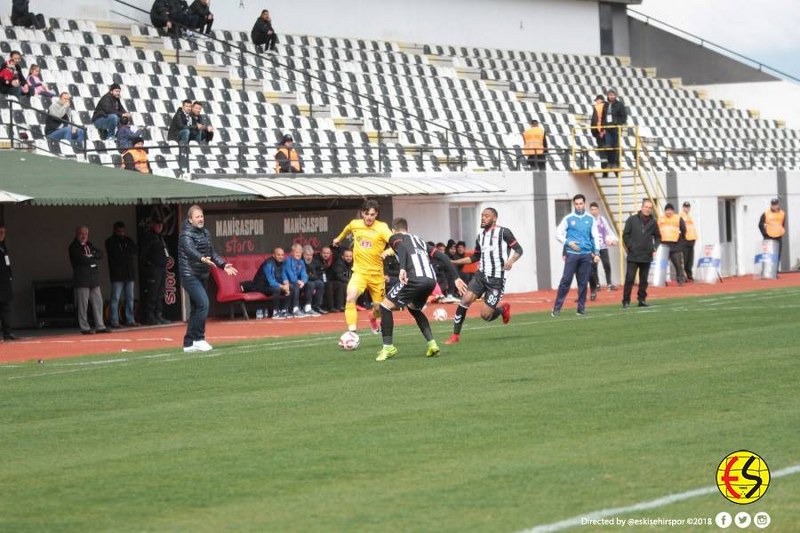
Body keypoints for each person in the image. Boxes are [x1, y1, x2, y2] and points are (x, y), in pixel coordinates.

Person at [376, 218, 468, 361]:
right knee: (414, 308)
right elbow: (443, 257)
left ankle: (388, 347)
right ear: (408, 229)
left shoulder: (394, 237)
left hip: (413, 278)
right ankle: (432, 344)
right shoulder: (420, 240)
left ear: (393, 230)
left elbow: (401, 249)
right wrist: (456, 277)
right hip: (430, 281)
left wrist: (402, 269)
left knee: (384, 307)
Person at [445, 207, 522, 344]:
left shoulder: (504, 232)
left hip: (496, 279)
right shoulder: (480, 236)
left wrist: (511, 261)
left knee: (486, 316)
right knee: (465, 300)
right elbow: (475, 257)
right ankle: (455, 336)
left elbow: (519, 249)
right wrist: (453, 262)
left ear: (494, 218)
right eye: (482, 215)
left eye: (486, 216)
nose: (483, 218)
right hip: (481, 276)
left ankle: (502, 308)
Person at [178, 205, 237, 352]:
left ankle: (188, 343)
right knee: (204, 304)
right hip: (189, 275)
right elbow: (190, 250)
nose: (200, 219)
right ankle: (199, 338)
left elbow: (212, 253)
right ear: (190, 219)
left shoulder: (205, 233)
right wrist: (202, 258)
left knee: (196, 309)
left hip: (202, 274)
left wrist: (224, 265)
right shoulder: (185, 235)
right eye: (197, 216)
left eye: (202, 216)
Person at [333, 199, 394, 335]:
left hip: (377, 276)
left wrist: (387, 252)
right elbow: (347, 229)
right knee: (350, 298)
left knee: (379, 309)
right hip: (359, 273)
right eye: (367, 214)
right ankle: (352, 333)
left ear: (376, 214)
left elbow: (395, 244)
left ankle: (372, 317)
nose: (369, 218)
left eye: (372, 215)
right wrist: (338, 239)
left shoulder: (382, 227)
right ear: (362, 214)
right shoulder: (355, 224)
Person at [551, 194, 601, 317]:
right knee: (565, 281)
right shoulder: (568, 218)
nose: (579, 206)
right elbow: (558, 233)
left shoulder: (590, 219)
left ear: (584, 204)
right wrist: (568, 243)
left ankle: (581, 308)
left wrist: (597, 253)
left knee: (583, 282)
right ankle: (557, 308)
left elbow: (595, 236)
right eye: (576, 204)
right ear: (574, 204)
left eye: (581, 203)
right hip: (572, 255)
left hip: (586, 255)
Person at [68, 225, 111, 335]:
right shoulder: (73, 247)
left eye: (86, 234)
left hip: (93, 279)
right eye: (81, 234)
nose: (84, 236)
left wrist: (91, 256)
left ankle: (100, 325)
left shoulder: (89, 245)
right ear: (77, 234)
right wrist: (92, 259)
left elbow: (100, 254)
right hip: (82, 279)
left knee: (98, 302)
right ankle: (84, 327)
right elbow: (80, 259)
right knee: (83, 305)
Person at [621, 199, 661, 308]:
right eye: (646, 207)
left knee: (644, 280)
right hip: (633, 255)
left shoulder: (653, 222)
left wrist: (654, 247)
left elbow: (658, 237)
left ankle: (642, 300)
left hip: (646, 255)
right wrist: (630, 246)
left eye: (649, 207)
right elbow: (625, 235)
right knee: (629, 279)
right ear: (642, 207)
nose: (647, 209)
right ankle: (626, 301)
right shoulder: (632, 219)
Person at [105, 221, 139, 328]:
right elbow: (116, 255)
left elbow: (135, 250)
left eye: (123, 231)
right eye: (119, 231)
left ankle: (130, 320)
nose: (121, 233)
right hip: (117, 274)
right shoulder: (110, 241)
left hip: (129, 273)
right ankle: (114, 321)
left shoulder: (128, 240)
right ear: (115, 230)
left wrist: (125, 254)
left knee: (130, 298)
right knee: (115, 298)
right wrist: (126, 254)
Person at [139, 215, 171, 325]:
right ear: (153, 225)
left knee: (160, 293)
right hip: (154, 269)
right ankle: (150, 317)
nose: (160, 226)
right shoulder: (149, 236)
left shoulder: (160, 237)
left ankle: (158, 315)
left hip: (162, 268)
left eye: (161, 225)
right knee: (152, 294)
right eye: (157, 224)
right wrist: (148, 265)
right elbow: (143, 253)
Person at [252, 247, 291, 319]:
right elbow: (271, 282)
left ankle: (284, 310)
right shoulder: (268, 263)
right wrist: (282, 287)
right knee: (277, 289)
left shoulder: (282, 263)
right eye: (278, 255)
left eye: (282, 255)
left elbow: (283, 275)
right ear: (273, 255)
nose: (281, 257)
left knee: (291, 287)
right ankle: (275, 313)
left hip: (270, 286)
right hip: (260, 286)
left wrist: (286, 284)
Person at [588, 201, 618, 295]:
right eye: (592, 209)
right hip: (594, 248)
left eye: (595, 209)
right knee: (594, 266)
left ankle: (609, 283)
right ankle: (597, 284)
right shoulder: (588, 220)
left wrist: (614, 239)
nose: (594, 211)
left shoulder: (602, 219)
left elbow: (608, 229)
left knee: (607, 265)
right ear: (590, 210)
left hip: (603, 246)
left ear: (598, 210)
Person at [658, 203, 687, 286]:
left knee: (678, 264)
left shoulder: (678, 218)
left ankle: (680, 280)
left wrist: (681, 239)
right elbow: (656, 230)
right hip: (664, 245)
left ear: (673, 211)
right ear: (665, 211)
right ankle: (661, 281)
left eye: (670, 210)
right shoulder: (660, 219)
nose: (669, 212)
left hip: (675, 245)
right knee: (662, 265)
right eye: (667, 210)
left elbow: (684, 229)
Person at [284, 243, 315, 317]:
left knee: (310, 284)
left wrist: (303, 282)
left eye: (300, 252)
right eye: (296, 252)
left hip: (298, 282)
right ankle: (295, 309)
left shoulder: (301, 262)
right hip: (288, 282)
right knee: (295, 285)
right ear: (292, 253)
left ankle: (307, 308)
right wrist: (298, 281)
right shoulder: (288, 260)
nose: (298, 254)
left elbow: (304, 274)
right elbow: (290, 275)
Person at [602, 88, 627, 172]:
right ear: (607, 96)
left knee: (616, 146)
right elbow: (602, 116)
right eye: (610, 95)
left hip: (616, 128)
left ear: (616, 95)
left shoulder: (620, 105)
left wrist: (617, 124)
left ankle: (616, 163)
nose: (611, 96)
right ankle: (610, 163)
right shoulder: (605, 105)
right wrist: (603, 126)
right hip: (607, 127)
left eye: (613, 95)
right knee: (608, 146)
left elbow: (624, 117)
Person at [0, 226, 18, 341]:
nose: (2, 234)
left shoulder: (3, 246)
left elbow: (7, 264)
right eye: (0, 232)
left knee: (6, 308)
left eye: (3, 233)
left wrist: (10, 277)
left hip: (5, 283)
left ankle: (7, 332)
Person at [759, 198, 786, 270]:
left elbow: (782, 224)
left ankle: (774, 271)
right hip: (768, 236)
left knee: (777, 254)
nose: (774, 206)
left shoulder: (782, 213)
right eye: (773, 205)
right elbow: (760, 225)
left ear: (778, 204)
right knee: (768, 254)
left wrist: (781, 232)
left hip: (778, 237)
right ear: (771, 205)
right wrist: (765, 234)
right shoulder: (766, 213)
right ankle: (766, 271)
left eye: (776, 204)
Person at [302, 245, 327, 315]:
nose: (309, 257)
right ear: (303, 254)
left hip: (312, 279)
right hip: (302, 281)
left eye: (311, 255)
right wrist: (313, 276)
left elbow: (320, 271)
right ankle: (307, 307)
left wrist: (315, 276)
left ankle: (317, 306)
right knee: (311, 284)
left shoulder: (315, 261)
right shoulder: (301, 261)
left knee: (320, 283)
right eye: (307, 255)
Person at [324, 246, 348, 312]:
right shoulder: (339, 263)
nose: (326, 255)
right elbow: (339, 275)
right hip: (323, 280)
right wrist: (349, 280)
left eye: (327, 253)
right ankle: (330, 307)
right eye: (324, 253)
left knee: (340, 284)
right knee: (330, 285)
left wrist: (350, 279)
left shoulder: (348, 263)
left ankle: (340, 306)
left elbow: (346, 273)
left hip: (330, 280)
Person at [680, 202, 697, 282]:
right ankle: (684, 276)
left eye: (688, 207)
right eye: (685, 207)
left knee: (690, 259)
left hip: (691, 239)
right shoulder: (681, 216)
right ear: (683, 207)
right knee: (685, 259)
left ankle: (689, 275)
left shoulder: (689, 216)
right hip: (685, 240)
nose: (687, 208)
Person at [589, 94, 606, 168]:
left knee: (602, 150)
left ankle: (604, 166)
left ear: (600, 100)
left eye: (597, 100)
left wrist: (595, 132)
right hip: (606, 131)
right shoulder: (608, 107)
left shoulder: (598, 107)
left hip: (600, 131)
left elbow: (594, 120)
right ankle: (608, 164)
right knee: (607, 149)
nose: (596, 102)